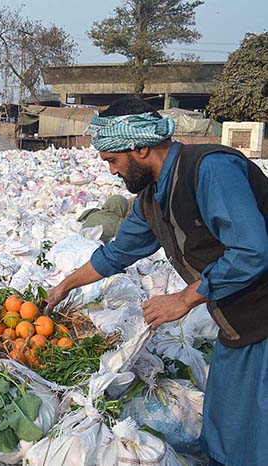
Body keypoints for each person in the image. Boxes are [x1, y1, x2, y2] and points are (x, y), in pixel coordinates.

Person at [46, 97, 268, 466]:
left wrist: (183, 300)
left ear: (141, 147)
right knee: (224, 425)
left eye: (113, 161)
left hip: (261, 319)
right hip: (237, 322)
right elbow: (117, 253)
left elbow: (252, 251)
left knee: (255, 432)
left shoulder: (211, 170)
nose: (112, 172)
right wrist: (65, 286)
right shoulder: (152, 198)